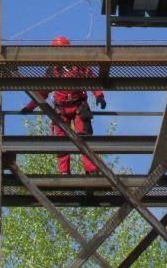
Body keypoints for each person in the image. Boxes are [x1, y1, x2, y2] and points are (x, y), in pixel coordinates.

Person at [20, 35, 106, 175]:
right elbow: (42, 92)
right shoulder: (52, 70)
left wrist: (99, 96)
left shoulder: (80, 67)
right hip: (61, 109)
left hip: (79, 107)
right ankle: (64, 171)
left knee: (84, 137)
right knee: (60, 140)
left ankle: (91, 170)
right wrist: (29, 107)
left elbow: (92, 80)